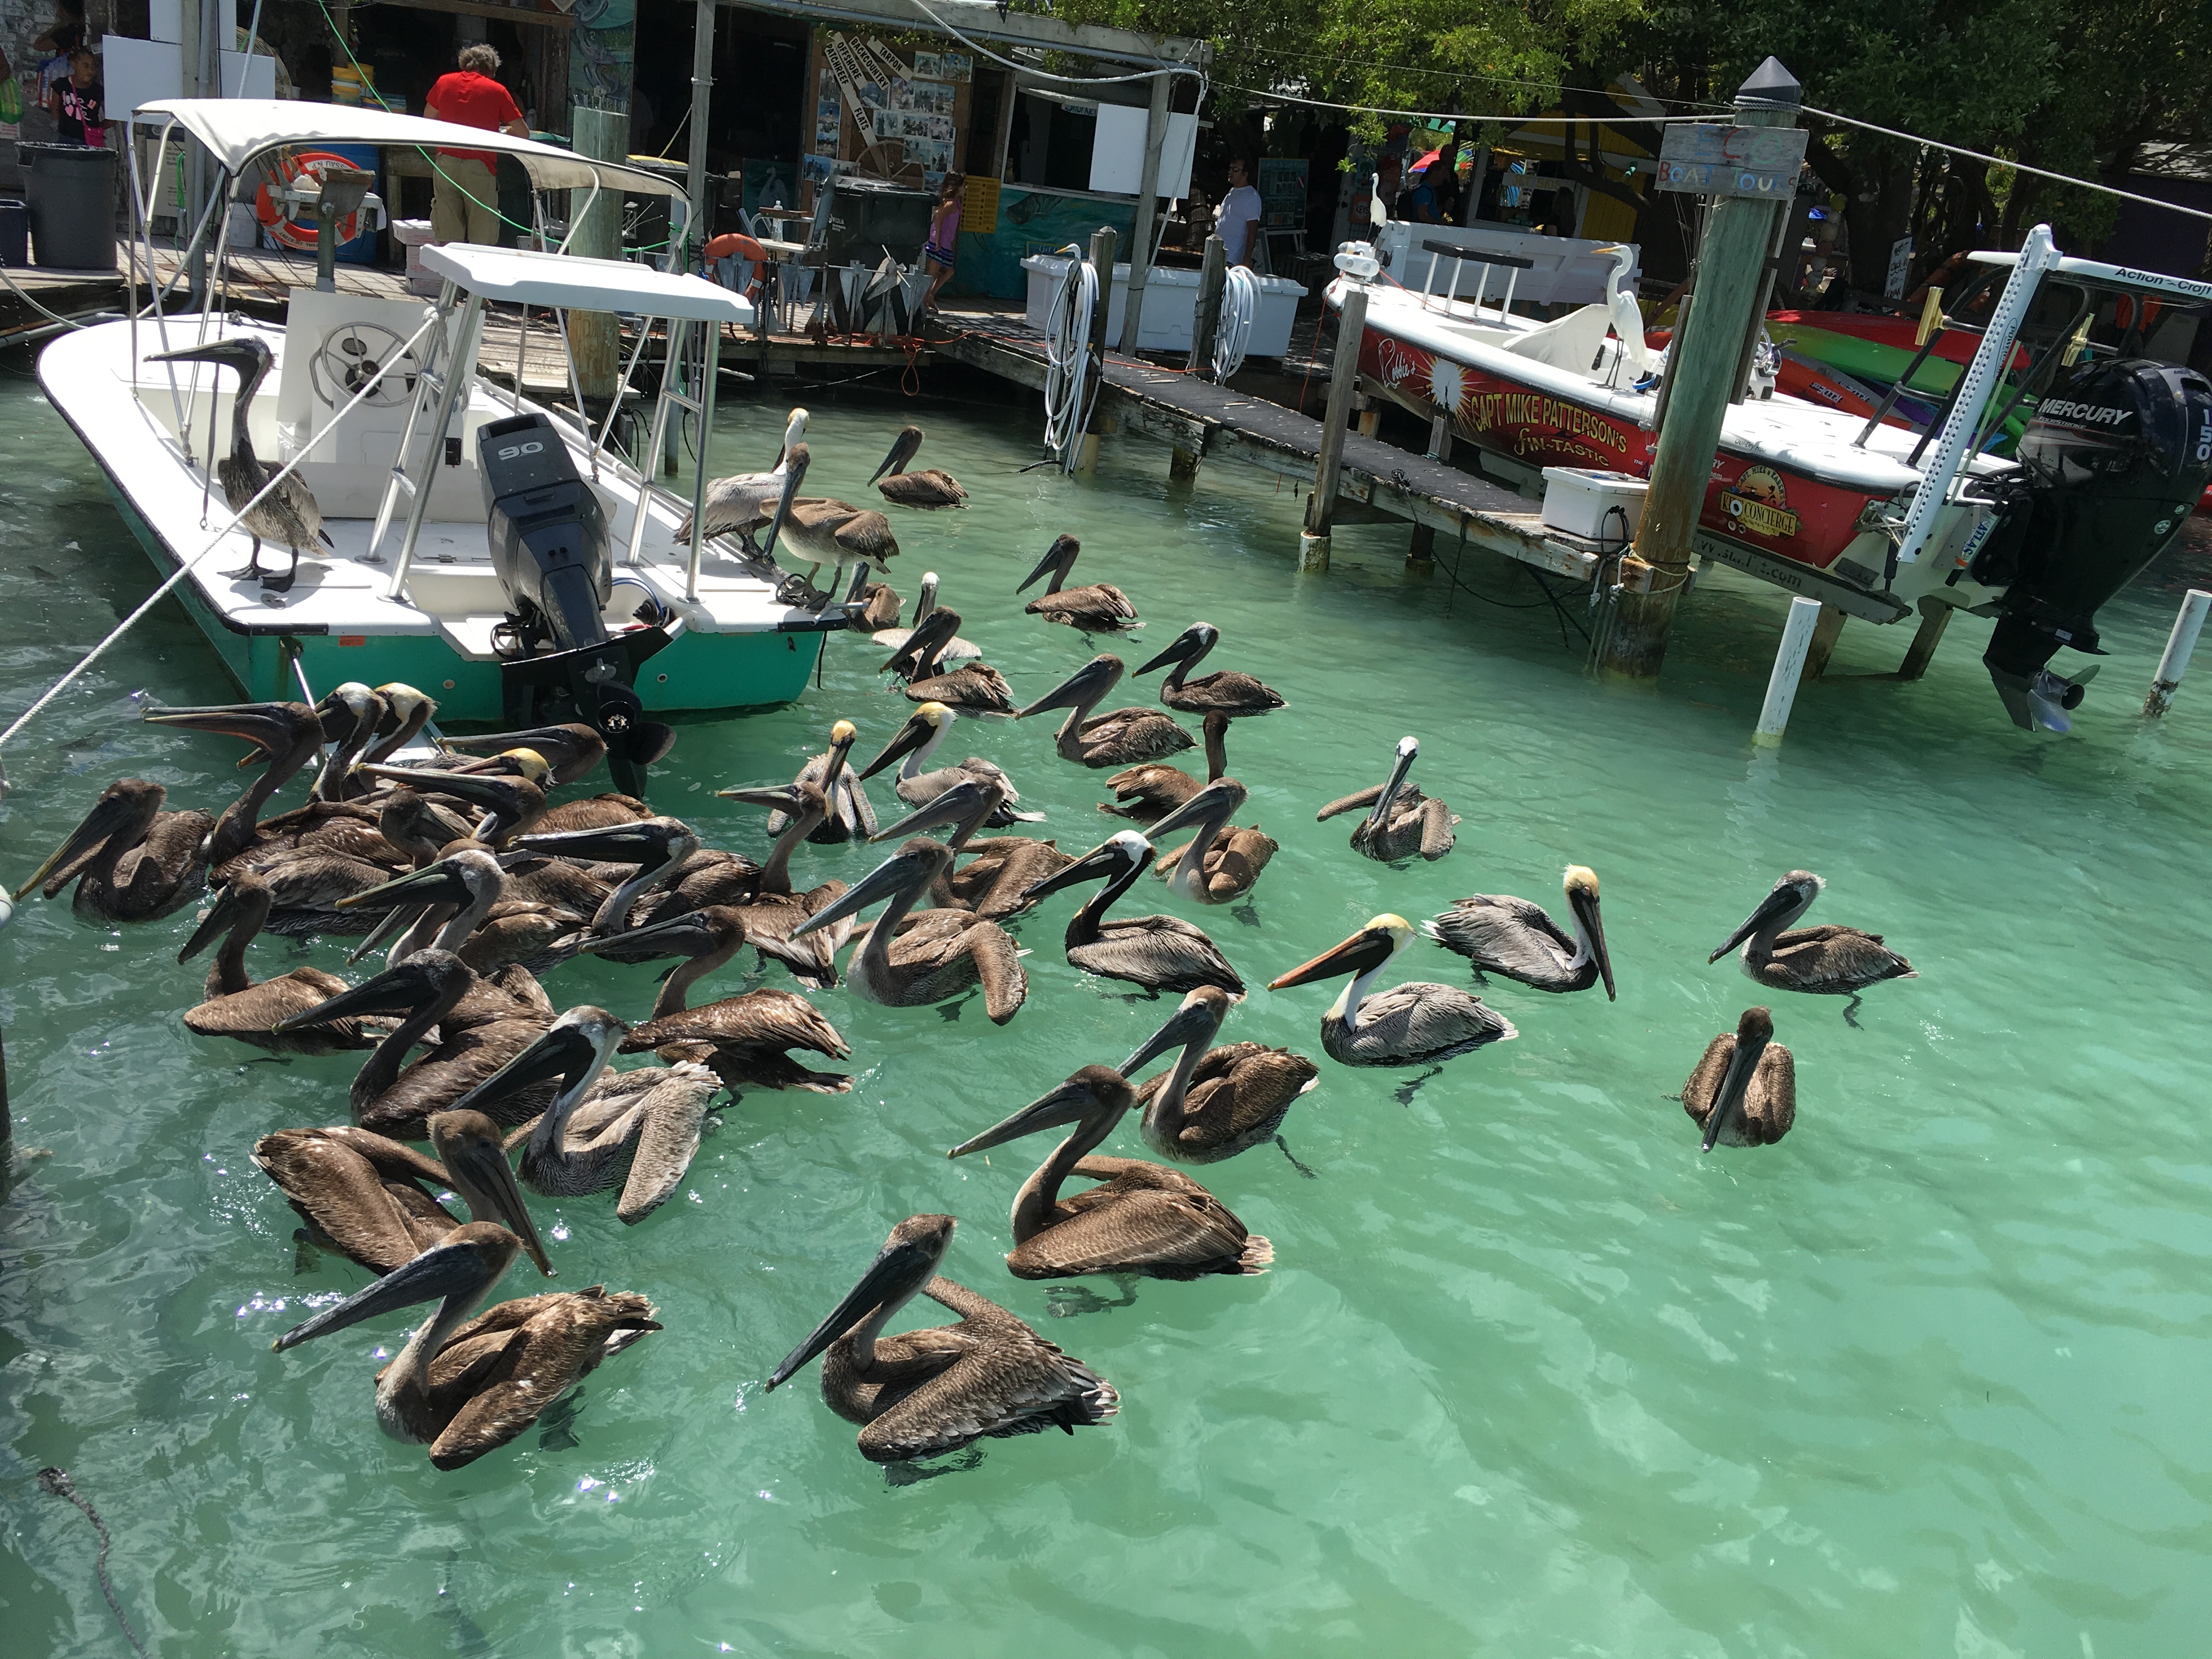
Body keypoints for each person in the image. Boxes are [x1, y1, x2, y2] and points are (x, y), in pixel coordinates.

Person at [424, 43, 527, 246]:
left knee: (447, 233)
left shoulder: (444, 82)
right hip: (480, 166)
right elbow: (523, 133)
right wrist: (506, 132)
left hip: (446, 164)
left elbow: (429, 118)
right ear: (491, 69)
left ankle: (449, 277)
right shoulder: (497, 90)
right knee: (482, 235)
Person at [921, 171, 964, 313]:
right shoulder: (951, 204)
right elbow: (938, 218)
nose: (966, 189)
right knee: (933, 273)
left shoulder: (954, 203)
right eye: (964, 186)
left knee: (949, 271)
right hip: (939, 241)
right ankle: (924, 302)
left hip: (945, 242)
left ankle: (931, 295)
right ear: (958, 188)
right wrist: (938, 240)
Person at [1215, 155, 1262, 268]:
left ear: (1246, 174)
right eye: (1230, 169)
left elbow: (1252, 231)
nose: (1231, 172)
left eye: (1235, 170)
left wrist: (1247, 258)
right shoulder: (1232, 192)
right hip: (1219, 253)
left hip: (1233, 258)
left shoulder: (1252, 197)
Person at [48, 47, 101, 146]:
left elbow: (111, 120)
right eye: (86, 66)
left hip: (89, 139)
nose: (90, 71)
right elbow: (55, 109)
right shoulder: (62, 84)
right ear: (74, 65)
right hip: (65, 136)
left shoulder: (98, 90)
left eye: (93, 67)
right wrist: (66, 124)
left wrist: (96, 129)